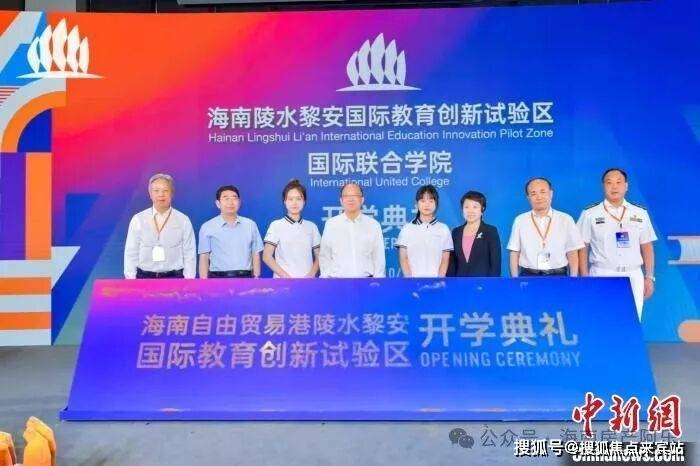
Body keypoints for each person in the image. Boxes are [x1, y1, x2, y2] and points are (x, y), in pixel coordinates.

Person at [577, 168, 657, 319]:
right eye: (609, 183)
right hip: (601, 274)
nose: (614, 186)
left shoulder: (640, 213)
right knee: (602, 319)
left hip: (633, 275)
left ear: (626, 186)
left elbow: (647, 247)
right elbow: (582, 247)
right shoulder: (590, 213)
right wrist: (585, 277)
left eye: (618, 182)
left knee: (632, 321)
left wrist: (649, 277)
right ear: (603, 186)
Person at [507, 177, 583, 277]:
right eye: (533, 193)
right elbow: (514, 252)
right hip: (528, 275)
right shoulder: (520, 220)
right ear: (528, 198)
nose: (538, 197)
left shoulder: (566, 219)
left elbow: (572, 251)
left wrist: (573, 279)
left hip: (558, 275)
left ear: (551, 193)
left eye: (542, 192)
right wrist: (515, 280)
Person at [124, 173, 196, 279]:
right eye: (156, 191)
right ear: (150, 194)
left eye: (165, 190)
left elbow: (189, 253)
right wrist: (131, 279)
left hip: (174, 278)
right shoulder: (138, 219)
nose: (161, 194)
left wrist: (189, 280)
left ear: (172, 193)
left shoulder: (183, 220)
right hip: (144, 277)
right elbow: (131, 252)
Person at [319, 183, 385, 278]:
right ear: (341, 200)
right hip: (337, 282)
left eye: (355, 195)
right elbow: (325, 256)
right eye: (346, 196)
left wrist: (377, 281)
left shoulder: (373, 225)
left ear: (362, 199)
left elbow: (378, 257)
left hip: (366, 281)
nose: (350, 199)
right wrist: (327, 279)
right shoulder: (331, 224)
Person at [198, 185, 263, 278]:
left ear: (239, 202)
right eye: (226, 198)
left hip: (245, 278)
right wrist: (204, 282)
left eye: (234, 198)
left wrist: (256, 277)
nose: (231, 202)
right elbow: (204, 257)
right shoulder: (207, 227)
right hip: (217, 278)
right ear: (218, 203)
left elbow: (255, 253)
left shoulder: (250, 225)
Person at [263, 179, 321, 278]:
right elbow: (266, 257)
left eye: (298, 199)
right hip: (283, 282)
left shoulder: (312, 226)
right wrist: (286, 277)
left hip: (307, 282)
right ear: (285, 202)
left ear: (304, 202)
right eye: (290, 199)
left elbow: (320, 256)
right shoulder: (276, 225)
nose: (294, 203)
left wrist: (311, 275)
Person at [396, 185, 453, 277]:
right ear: (417, 204)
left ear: (436, 204)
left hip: (436, 282)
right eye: (423, 201)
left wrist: (438, 280)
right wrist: (410, 281)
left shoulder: (443, 229)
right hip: (413, 282)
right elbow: (403, 258)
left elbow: (445, 260)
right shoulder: (407, 229)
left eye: (431, 201)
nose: (427, 205)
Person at [448, 190, 501, 277]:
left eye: (475, 207)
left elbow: (495, 265)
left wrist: (491, 284)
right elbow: (452, 264)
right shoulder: (456, 232)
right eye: (466, 207)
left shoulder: (490, 231)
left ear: (482, 209)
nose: (470, 211)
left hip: (483, 283)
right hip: (459, 283)